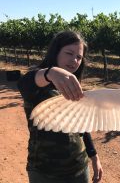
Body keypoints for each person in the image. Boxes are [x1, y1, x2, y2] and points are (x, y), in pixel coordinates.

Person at [17, 30, 103, 183]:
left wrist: (94, 157)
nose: (74, 60)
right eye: (69, 53)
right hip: (45, 172)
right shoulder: (38, 82)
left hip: (79, 169)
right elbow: (24, 83)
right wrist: (50, 73)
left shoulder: (73, 85)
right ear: (56, 51)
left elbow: (81, 126)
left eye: (79, 57)